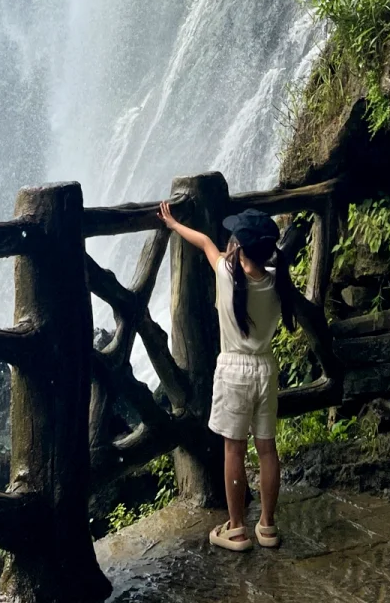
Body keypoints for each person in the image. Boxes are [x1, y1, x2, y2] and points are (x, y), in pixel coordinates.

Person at [157, 200, 294, 552]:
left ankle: (235, 529)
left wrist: (172, 224)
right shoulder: (279, 282)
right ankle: (267, 525)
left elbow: (204, 241)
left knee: (233, 449)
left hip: (234, 370)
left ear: (240, 249)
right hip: (266, 367)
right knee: (267, 449)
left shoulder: (225, 274)